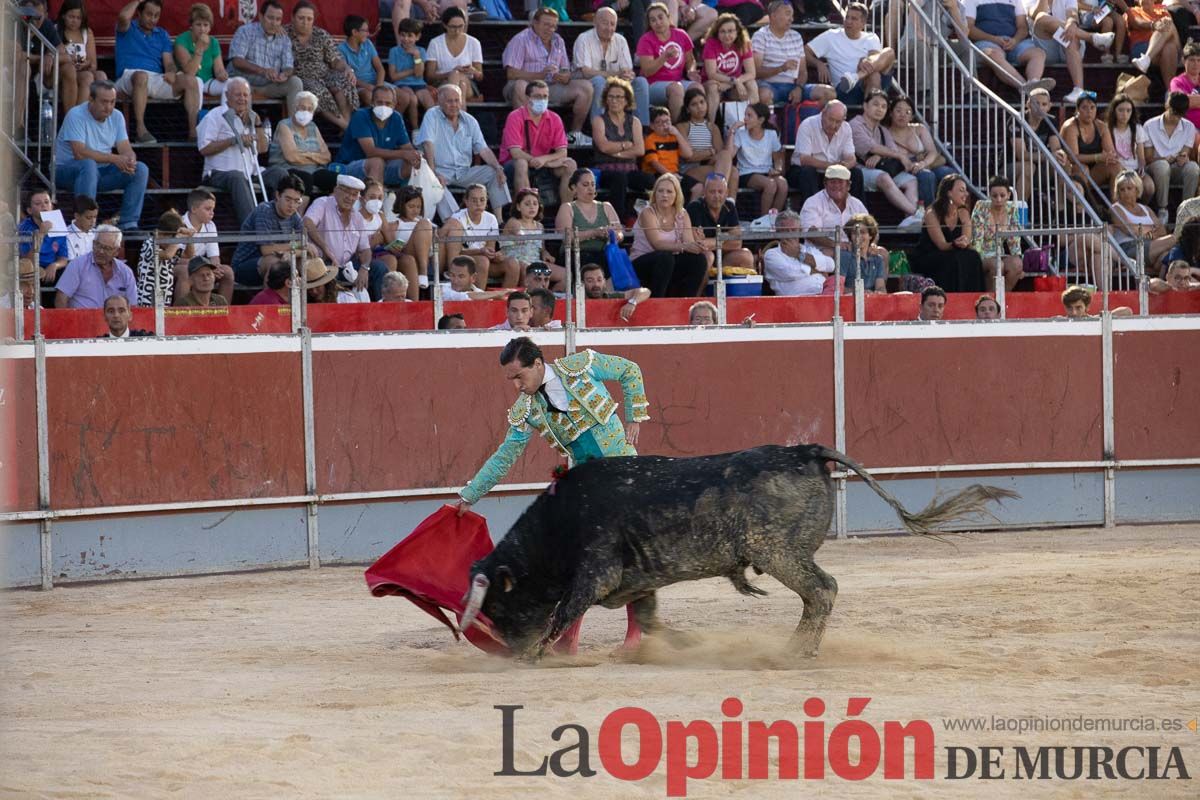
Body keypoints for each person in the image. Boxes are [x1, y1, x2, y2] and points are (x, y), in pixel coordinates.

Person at [456, 337, 650, 653]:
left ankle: (631, 637)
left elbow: (630, 370)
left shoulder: (581, 366)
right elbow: (505, 455)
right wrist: (469, 495)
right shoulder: (527, 409)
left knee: (628, 555)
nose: (517, 385)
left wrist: (635, 416)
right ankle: (572, 637)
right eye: (512, 379)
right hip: (588, 484)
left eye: (519, 376)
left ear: (537, 364)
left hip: (624, 472)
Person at [54, 80, 149, 233]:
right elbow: (79, 153)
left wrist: (130, 158)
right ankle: (85, 225)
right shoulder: (76, 114)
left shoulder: (117, 116)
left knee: (141, 169)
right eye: (104, 102)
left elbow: (125, 147)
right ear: (91, 100)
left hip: (100, 172)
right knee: (88, 164)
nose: (109, 107)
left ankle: (129, 223)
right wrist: (115, 158)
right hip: (66, 170)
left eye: (112, 102)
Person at [415, 84, 509, 219]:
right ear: (440, 102)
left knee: (494, 172)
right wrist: (433, 172)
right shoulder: (432, 115)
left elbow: (483, 149)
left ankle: (499, 221)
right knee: (434, 184)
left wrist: (498, 167)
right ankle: (454, 223)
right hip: (439, 170)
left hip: (464, 172)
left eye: (457, 100)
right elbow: (428, 145)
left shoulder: (470, 120)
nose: (454, 104)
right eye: (449, 101)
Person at [502, 7, 594, 146]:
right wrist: (539, 75)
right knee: (520, 86)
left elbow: (565, 68)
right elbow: (511, 73)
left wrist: (565, 76)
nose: (550, 29)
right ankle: (529, 135)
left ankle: (575, 134)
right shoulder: (521, 39)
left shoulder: (558, 41)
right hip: (525, 85)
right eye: (546, 24)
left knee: (585, 87)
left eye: (553, 26)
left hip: (550, 86)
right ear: (535, 23)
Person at [114, 0, 201, 144]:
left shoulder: (162, 34)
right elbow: (123, 17)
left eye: (156, 15)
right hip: (129, 76)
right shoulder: (128, 27)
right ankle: (141, 131)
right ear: (139, 12)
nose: (153, 19)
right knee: (141, 77)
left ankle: (194, 134)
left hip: (155, 78)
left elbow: (168, 62)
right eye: (149, 14)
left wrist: (171, 72)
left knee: (190, 81)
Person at [305, 175, 391, 301]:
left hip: (347, 266)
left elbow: (365, 249)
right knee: (324, 270)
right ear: (336, 190)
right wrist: (325, 249)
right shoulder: (323, 203)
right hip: (324, 263)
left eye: (354, 194)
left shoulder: (357, 217)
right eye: (346, 192)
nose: (350, 198)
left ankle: (381, 310)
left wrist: (364, 268)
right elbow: (307, 222)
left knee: (379, 268)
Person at [197, 77, 268, 225]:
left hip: (250, 172)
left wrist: (258, 124)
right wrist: (233, 140)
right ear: (228, 95)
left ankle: (279, 226)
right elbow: (204, 148)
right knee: (237, 177)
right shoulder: (215, 116)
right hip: (219, 173)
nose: (242, 98)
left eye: (245, 95)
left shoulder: (251, 117)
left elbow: (262, 149)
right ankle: (253, 229)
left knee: (280, 174)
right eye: (238, 94)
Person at [850, 89, 924, 228]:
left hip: (877, 168)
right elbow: (871, 147)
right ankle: (916, 213)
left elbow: (892, 151)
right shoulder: (855, 125)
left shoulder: (882, 130)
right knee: (883, 177)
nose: (880, 109)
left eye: (884, 106)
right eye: (876, 104)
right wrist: (894, 154)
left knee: (911, 180)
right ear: (865, 106)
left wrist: (879, 155)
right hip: (860, 171)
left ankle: (909, 220)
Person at [630, 173, 710, 297]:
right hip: (642, 262)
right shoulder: (648, 212)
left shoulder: (682, 214)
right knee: (665, 257)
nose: (664, 195)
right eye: (660, 191)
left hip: (668, 262)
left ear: (676, 195)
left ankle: (686, 301)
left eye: (669, 191)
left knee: (698, 260)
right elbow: (657, 244)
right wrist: (685, 246)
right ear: (655, 194)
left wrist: (697, 244)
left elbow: (688, 243)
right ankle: (658, 301)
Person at [499, 80, 578, 202]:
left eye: (545, 96)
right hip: (514, 165)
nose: (542, 100)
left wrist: (544, 160)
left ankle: (566, 211)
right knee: (521, 163)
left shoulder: (554, 118)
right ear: (527, 98)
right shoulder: (515, 116)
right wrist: (543, 162)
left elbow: (562, 152)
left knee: (570, 164)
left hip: (542, 163)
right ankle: (524, 213)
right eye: (537, 96)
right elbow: (515, 153)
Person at [286, 1, 359, 130]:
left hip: (324, 74)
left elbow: (335, 60)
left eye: (309, 19)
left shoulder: (321, 34)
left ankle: (347, 126)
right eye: (301, 18)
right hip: (301, 77)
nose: (305, 22)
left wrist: (347, 68)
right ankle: (347, 128)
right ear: (293, 17)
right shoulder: (284, 34)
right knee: (317, 90)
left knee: (344, 81)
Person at [590, 77, 655, 222]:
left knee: (650, 179)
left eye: (618, 97)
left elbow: (639, 150)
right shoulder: (599, 121)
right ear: (606, 100)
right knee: (619, 179)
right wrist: (626, 144)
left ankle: (649, 219)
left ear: (627, 101)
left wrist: (615, 152)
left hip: (630, 169)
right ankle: (617, 221)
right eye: (611, 97)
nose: (614, 100)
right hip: (606, 169)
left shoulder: (634, 122)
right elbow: (603, 146)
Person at [1026, 0, 1115, 105]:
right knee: (1041, 17)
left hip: (1069, 42)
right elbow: (1034, 14)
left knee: (1069, 33)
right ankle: (1091, 37)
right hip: (1045, 48)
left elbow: (1072, 14)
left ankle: (1078, 90)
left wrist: (1071, 23)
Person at [806, 3, 895, 103]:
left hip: (868, 83)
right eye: (847, 17)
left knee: (889, 52)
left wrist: (866, 61)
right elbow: (805, 52)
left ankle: (855, 77)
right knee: (874, 75)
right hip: (845, 90)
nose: (848, 21)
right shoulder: (830, 36)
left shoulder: (871, 37)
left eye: (854, 19)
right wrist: (818, 63)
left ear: (863, 23)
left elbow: (874, 57)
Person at [231, 175, 310, 286]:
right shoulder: (265, 210)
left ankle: (306, 301)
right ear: (278, 195)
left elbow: (304, 248)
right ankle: (270, 301)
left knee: (307, 262)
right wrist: (296, 246)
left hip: (279, 259)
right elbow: (266, 249)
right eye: (288, 199)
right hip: (244, 266)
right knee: (276, 264)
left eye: (296, 201)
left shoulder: (295, 217)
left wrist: (290, 252)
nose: (292, 205)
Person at [575, 6, 650, 124]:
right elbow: (586, 72)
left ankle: (642, 129)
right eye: (605, 23)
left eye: (612, 24)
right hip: (589, 84)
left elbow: (626, 69)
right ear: (595, 22)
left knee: (641, 82)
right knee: (599, 81)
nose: (609, 28)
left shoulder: (621, 40)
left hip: (615, 84)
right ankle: (599, 128)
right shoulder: (583, 39)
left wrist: (627, 75)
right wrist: (616, 74)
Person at [752, 0, 835, 106]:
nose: (791, 19)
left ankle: (811, 120)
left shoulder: (796, 36)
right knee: (764, 95)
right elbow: (756, 72)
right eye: (787, 14)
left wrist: (799, 88)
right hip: (768, 85)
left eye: (792, 15)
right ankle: (770, 122)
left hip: (792, 86)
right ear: (773, 16)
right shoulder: (760, 36)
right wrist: (781, 68)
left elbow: (803, 72)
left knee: (829, 93)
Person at [911, 175, 986, 292]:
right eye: (961, 190)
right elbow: (941, 245)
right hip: (930, 254)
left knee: (973, 256)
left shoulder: (963, 212)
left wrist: (964, 243)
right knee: (953, 260)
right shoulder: (932, 212)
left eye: (966, 190)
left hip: (953, 252)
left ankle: (972, 297)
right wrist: (955, 244)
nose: (966, 194)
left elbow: (967, 240)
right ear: (949, 193)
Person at [337, 84, 421, 186]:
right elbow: (370, 152)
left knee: (414, 162)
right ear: (372, 102)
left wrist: (415, 156)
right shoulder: (360, 116)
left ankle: (406, 199)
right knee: (377, 162)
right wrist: (403, 154)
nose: (383, 106)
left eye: (388, 103)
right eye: (379, 102)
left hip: (384, 166)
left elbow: (408, 148)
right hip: (350, 167)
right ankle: (374, 197)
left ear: (394, 105)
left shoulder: (396, 118)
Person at [966, 0, 1055, 92]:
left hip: (1014, 42)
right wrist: (994, 39)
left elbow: (1023, 27)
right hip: (985, 41)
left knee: (1038, 53)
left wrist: (1015, 40)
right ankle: (1025, 87)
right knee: (993, 54)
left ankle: (1033, 82)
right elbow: (969, 28)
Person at [227, 0, 303, 107]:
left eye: (278, 19)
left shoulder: (284, 39)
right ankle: (245, 123)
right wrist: (263, 71)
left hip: (267, 86)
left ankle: (294, 123)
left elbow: (288, 66)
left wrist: (285, 74)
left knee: (295, 82)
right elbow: (237, 61)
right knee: (241, 88)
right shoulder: (245, 31)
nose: (274, 23)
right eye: (270, 18)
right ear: (261, 16)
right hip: (243, 81)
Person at [797, 163, 869, 277]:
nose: (836, 186)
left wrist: (872, 244)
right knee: (828, 254)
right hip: (823, 250)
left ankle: (880, 292)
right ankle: (830, 292)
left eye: (840, 182)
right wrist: (837, 244)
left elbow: (871, 229)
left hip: (854, 248)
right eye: (832, 182)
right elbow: (810, 232)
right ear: (825, 184)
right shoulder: (813, 202)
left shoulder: (857, 204)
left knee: (882, 253)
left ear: (848, 185)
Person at [443, 184, 518, 290]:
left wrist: (495, 255)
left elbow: (489, 248)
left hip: (483, 259)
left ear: (487, 201)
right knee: (483, 261)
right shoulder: (457, 218)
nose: (478, 204)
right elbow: (455, 254)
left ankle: (505, 300)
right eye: (474, 200)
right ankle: (479, 299)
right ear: (466, 201)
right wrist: (480, 251)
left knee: (512, 264)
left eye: (482, 200)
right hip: (462, 262)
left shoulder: (491, 218)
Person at [885, 95, 956, 206]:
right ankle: (929, 215)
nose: (902, 115)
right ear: (891, 113)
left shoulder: (919, 128)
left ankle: (950, 212)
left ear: (912, 116)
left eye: (908, 112)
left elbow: (932, 151)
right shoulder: (885, 131)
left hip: (925, 164)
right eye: (898, 110)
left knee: (948, 173)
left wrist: (923, 164)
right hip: (902, 169)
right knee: (927, 176)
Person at [637, 3, 701, 121]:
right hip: (653, 85)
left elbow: (690, 60)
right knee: (676, 89)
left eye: (661, 17)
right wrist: (664, 57)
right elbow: (647, 72)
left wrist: (691, 71)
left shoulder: (681, 35)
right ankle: (677, 131)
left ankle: (698, 128)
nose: (658, 22)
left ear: (668, 17)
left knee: (698, 88)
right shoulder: (646, 40)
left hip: (677, 81)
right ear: (650, 24)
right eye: (653, 20)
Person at [789, 100, 863, 202]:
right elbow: (804, 159)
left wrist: (845, 166)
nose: (833, 125)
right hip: (803, 170)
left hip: (832, 172)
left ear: (843, 120)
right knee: (808, 172)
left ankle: (857, 214)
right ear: (823, 113)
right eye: (831, 120)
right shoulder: (808, 125)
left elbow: (851, 158)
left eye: (838, 122)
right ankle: (814, 212)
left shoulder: (846, 128)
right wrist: (832, 166)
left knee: (856, 173)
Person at [263, 90, 332, 198]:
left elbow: (327, 157)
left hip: (314, 170)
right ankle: (299, 215)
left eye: (310, 109)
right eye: (303, 108)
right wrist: (315, 156)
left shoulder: (313, 127)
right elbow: (291, 157)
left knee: (335, 180)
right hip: (286, 169)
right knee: (305, 180)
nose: (306, 112)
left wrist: (307, 154)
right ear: (295, 108)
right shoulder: (284, 125)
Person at [1144, 92, 1199, 225]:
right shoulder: (1149, 125)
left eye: (1180, 114)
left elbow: (1185, 152)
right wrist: (1164, 159)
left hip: (1175, 168)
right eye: (1174, 113)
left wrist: (1183, 157)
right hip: (1156, 167)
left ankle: (1186, 209)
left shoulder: (1189, 127)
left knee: (1193, 168)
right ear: (1166, 106)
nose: (1176, 118)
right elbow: (1148, 158)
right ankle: (1163, 209)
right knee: (1162, 166)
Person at [1108, 170, 1176, 276]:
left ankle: (1156, 285)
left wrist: (1145, 232)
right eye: (1122, 189)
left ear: (1137, 189)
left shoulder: (1146, 209)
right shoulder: (1116, 209)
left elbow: (1162, 231)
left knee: (1166, 255)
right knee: (1173, 239)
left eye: (1129, 188)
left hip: (1149, 245)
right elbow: (1132, 231)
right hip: (1128, 248)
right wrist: (1152, 229)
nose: (1125, 192)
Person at [555, 169, 624, 272]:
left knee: (611, 262)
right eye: (585, 185)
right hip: (575, 256)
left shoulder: (606, 206)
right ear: (574, 187)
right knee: (594, 263)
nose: (590, 188)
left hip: (603, 254)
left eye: (593, 184)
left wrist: (614, 235)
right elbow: (567, 238)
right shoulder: (567, 208)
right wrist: (594, 233)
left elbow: (620, 233)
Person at [676, 87, 736, 203]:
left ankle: (729, 203)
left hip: (708, 165)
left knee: (727, 157)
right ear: (688, 109)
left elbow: (719, 153)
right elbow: (689, 156)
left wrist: (707, 154)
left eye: (702, 102)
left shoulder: (712, 127)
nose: (699, 107)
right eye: (694, 104)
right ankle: (722, 200)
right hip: (689, 169)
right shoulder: (682, 127)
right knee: (732, 172)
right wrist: (710, 152)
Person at [54, 226, 137, 309]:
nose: (101, 251)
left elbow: (132, 306)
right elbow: (61, 299)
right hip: (82, 320)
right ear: (93, 243)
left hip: (114, 321)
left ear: (117, 251)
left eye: (107, 248)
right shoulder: (77, 265)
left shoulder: (126, 272)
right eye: (98, 245)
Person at [726, 104, 786, 215]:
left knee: (783, 184)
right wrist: (732, 132)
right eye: (745, 115)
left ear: (761, 120)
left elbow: (778, 159)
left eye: (749, 115)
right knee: (770, 184)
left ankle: (774, 218)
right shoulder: (741, 134)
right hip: (746, 173)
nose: (745, 118)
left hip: (766, 171)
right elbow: (729, 156)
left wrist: (777, 169)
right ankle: (763, 220)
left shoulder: (771, 134)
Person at [686, 173, 754, 270]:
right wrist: (726, 237)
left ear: (727, 193)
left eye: (720, 192)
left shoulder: (730, 206)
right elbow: (699, 244)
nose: (717, 196)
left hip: (722, 256)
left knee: (746, 256)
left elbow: (737, 243)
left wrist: (713, 241)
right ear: (704, 192)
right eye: (712, 192)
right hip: (700, 256)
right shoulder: (695, 207)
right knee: (708, 257)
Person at [971, 175, 1026, 291]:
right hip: (980, 256)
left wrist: (1018, 259)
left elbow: (1014, 240)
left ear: (1008, 195)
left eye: (1002, 195)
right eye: (994, 196)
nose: (999, 199)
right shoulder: (981, 206)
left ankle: (1003, 298)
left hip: (999, 254)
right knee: (997, 266)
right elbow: (977, 240)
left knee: (1017, 264)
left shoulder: (1012, 209)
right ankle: (990, 299)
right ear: (989, 195)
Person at [700, 13, 758, 122]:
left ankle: (753, 123)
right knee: (713, 87)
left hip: (732, 85)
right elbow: (711, 74)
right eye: (723, 31)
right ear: (717, 33)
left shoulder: (744, 44)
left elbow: (751, 73)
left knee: (751, 84)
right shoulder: (711, 43)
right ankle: (710, 126)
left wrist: (735, 82)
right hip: (715, 83)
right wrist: (734, 81)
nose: (727, 35)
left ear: (737, 32)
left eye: (731, 31)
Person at [1061, 93, 1121, 195]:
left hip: (1093, 172)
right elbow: (1073, 158)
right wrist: (1098, 157)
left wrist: (1109, 157)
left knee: (1114, 165)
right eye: (1084, 107)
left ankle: (1115, 207)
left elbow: (1111, 154)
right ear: (1077, 110)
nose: (1089, 111)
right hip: (1071, 170)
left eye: (1092, 107)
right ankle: (1084, 205)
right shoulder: (1071, 126)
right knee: (1082, 168)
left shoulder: (1101, 126)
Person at [501, 189, 562, 289]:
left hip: (536, 263)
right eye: (527, 204)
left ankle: (550, 297)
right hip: (517, 262)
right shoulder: (513, 221)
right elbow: (518, 232)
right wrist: (520, 235)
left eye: (535, 204)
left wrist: (545, 253)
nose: (532, 207)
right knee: (529, 271)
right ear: (518, 206)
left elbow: (541, 248)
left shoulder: (540, 226)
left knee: (564, 274)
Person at [763, 209, 833, 295]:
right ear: (778, 232)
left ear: (800, 231)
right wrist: (814, 270)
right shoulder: (771, 254)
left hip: (824, 296)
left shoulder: (808, 250)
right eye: (786, 231)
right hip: (794, 302)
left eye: (794, 230)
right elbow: (789, 273)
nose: (790, 234)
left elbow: (831, 264)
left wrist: (798, 254)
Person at [135, 210, 194, 308]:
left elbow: (189, 254)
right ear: (161, 233)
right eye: (170, 239)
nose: (171, 242)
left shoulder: (171, 246)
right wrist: (178, 238)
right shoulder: (149, 243)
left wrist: (189, 238)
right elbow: (167, 255)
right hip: (147, 299)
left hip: (164, 297)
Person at [423, 6, 483, 102]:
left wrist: (473, 71)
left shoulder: (474, 43)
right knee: (459, 83)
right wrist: (450, 73)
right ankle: (460, 112)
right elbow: (429, 77)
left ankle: (451, 111)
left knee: (459, 80)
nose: (457, 31)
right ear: (445, 25)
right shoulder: (435, 43)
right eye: (453, 27)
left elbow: (480, 76)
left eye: (461, 26)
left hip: (469, 84)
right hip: (442, 83)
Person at [56, 0, 106, 111]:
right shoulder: (55, 30)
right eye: (71, 17)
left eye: (78, 18)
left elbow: (93, 64)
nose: (75, 21)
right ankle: (76, 118)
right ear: (63, 15)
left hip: (82, 69)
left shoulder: (87, 32)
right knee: (87, 77)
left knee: (101, 76)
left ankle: (98, 117)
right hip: (63, 74)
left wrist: (85, 64)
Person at [386, 18, 435, 130]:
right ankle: (415, 129)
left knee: (430, 103)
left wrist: (417, 56)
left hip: (420, 84)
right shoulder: (394, 51)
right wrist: (412, 70)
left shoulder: (420, 51)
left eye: (410, 35)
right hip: (402, 84)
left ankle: (431, 130)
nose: (406, 39)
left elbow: (419, 75)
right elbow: (393, 76)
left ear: (417, 37)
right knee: (412, 99)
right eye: (403, 35)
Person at [1105, 93, 1155, 203]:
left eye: (1128, 110)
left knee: (1149, 187)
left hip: (1135, 170)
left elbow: (1141, 157)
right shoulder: (1108, 129)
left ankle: (1140, 207)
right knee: (1127, 185)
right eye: (1121, 110)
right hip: (1119, 170)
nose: (1125, 114)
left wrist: (1141, 169)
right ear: (1114, 111)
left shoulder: (1137, 128)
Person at [387, 186, 434, 300]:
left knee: (425, 224)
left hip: (426, 257)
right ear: (401, 205)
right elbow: (389, 245)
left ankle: (424, 271)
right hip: (406, 254)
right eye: (411, 206)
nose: (415, 210)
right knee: (424, 224)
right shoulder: (395, 224)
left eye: (418, 207)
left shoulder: (423, 222)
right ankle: (423, 273)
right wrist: (394, 246)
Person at [174, 3, 228, 100]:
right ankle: (198, 115)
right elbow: (190, 72)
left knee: (234, 83)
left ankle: (226, 114)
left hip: (208, 82)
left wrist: (221, 74)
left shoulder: (213, 42)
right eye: (198, 24)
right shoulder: (181, 41)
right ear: (191, 26)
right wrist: (200, 48)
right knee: (197, 81)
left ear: (210, 27)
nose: (202, 29)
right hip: (188, 82)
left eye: (205, 25)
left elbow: (219, 69)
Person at [17, 190, 68, 286]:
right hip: (32, 269)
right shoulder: (24, 228)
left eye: (46, 202)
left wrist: (55, 265)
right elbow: (27, 261)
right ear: (29, 210)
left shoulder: (59, 224)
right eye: (38, 203)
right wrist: (41, 234)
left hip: (52, 268)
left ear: (52, 206)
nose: (43, 206)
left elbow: (63, 259)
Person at [1127, 0, 1179, 86]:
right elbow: (1137, 23)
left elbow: (1173, 32)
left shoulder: (1163, 12)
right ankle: (1171, 90)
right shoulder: (1132, 11)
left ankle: (1146, 59)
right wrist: (1154, 25)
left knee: (1170, 43)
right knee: (1169, 47)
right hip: (1141, 47)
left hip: (1164, 48)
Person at [580, 261, 652, 321]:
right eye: (590, 281)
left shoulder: (611, 296)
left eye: (599, 280)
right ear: (582, 284)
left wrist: (632, 303)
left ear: (604, 282)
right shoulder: (576, 302)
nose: (596, 284)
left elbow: (646, 291)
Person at [340, 14, 385, 107]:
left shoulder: (368, 43)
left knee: (403, 97)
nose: (368, 34)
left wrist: (379, 88)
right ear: (354, 32)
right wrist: (369, 87)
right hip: (358, 86)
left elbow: (380, 69)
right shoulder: (341, 49)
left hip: (376, 83)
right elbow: (347, 77)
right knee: (369, 96)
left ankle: (390, 120)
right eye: (365, 30)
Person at [842, 213, 890, 292]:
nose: (858, 236)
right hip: (850, 301)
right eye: (855, 233)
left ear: (870, 235)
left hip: (871, 301)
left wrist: (878, 293)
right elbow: (839, 288)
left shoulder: (878, 259)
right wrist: (860, 293)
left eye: (862, 232)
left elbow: (880, 287)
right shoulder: (844, 256)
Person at [441, 255, 508, 300]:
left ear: (473, 278)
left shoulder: (481, 293)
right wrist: (497, 293)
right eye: (452, 275)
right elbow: (464, 296)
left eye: (461, 276)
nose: (455, 281)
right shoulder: (442, 289)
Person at [1169, 39, 1200, 129]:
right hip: (1188, 130)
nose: (1196, 64)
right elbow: (1181, 102)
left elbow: (1189, 100)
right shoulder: (1177, 82)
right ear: (1183, 61)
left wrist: (1193, 100)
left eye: (1199, 60)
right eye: (1192, 60)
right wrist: (1188, 100)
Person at [65, 196, 98, 262]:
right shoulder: (66, 235)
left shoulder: (97, 234)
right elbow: (71, 264)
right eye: (89, 217)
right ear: (77, 216)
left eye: (95, 217)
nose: (93, 221)